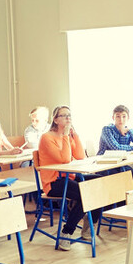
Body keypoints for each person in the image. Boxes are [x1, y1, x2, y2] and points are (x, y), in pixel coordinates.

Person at [37, 105, 92, 249]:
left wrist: (75, 135)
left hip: (69, 178)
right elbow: (65, 159)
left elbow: (80, 157)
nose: (68, 118)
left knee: (100, 182)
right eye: (64, 115)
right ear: (55, 120)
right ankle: (66, 233)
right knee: (85, 193)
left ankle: (88, 226)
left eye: (69, 115)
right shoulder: (47, 137)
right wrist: (67, 136)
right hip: (53, 182)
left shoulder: (68, 136)